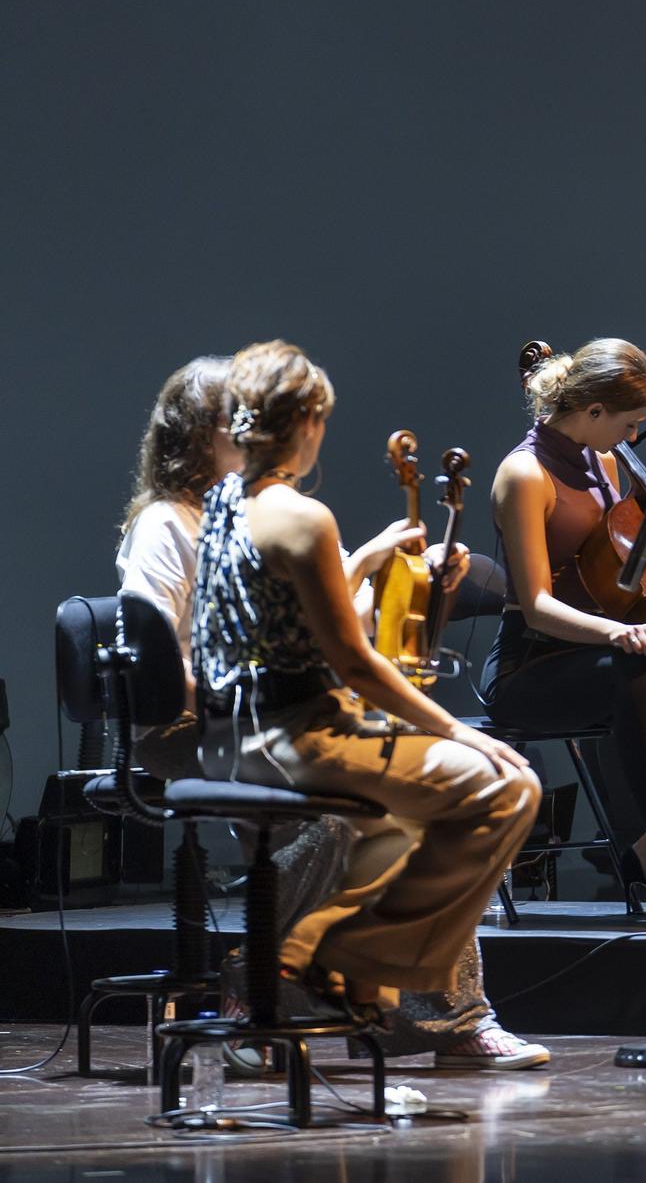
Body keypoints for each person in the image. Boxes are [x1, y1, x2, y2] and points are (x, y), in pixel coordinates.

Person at [119, 353, 550, 1068]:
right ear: (204, 435)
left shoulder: (258, 509)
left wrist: (386, 561)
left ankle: (448, 1018)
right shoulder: (170, 523)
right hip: (191, 726)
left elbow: (332, 623)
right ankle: (258, 980)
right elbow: (163, 656)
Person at [482, 338, 646, 922]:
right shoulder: (523, 475)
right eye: (629, 423)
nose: (635, 436)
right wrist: (615, 634)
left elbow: (619, 575)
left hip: (600, 655)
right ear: (593, 413)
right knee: (638, 670)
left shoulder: (608, 462)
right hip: (532, 666)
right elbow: (537, 605)